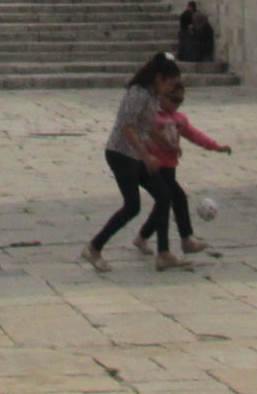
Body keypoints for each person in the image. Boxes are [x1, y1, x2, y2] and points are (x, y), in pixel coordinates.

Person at [81, 53, 178, 272]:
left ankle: (163, 253)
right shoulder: (137, 93)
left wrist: (165, 143)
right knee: (132, 205)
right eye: (169, 84)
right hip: (121, 153)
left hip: (135, 154)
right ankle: (94, 247)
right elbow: (127, 126)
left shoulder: (152, 96)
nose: (169, 90)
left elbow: (147, 125)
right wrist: (146, 155)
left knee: (164, 195)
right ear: (159, 78)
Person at [132, 67, 230, 270]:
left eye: (180, 101)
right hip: (154, 166)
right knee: (176, 198)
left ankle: (142, 237)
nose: (176, 105)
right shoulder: (154, 117)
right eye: (173, 100)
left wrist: (215, 146)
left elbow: (194, 135)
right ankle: (185, 239)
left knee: (164, 202)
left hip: (170, 167)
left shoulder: (178, 119)